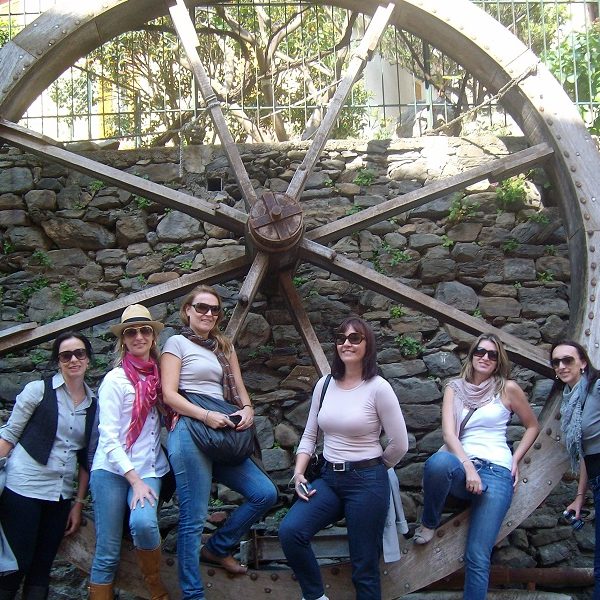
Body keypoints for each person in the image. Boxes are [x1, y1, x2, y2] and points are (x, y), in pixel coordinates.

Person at [279, 316, 409, 600]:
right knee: (291, 532)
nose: (346, 343)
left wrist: (374, 468)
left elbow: (400, 444)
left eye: (355, 338)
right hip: (328, 477)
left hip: (367, 482)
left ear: (367, 344)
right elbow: (310, 435)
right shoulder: (325, 384)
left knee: (364, 565)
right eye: (341, 338)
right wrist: (299, 473)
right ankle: (315, 596)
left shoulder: (378, 387)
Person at [161, 284, 278, 600]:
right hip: (191, 429)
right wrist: (204, 416)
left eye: (214, 310)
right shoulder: (176, 343)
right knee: (194, 517)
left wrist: (249, 409)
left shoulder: (224, 347)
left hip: (224, 429)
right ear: (188, 310)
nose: (208, 314)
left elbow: (239, 388)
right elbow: (169, 394)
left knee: (265, 493)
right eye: (201, 307)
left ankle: (218, 547)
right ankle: (193, 593)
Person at [414, 333, 539, 600]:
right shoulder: (454, 388)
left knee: (477, 555)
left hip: (497, 473)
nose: (485, 357)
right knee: (438, 463)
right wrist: (469, 469)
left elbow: (533, 426)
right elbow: (449, 435)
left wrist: (514, 460)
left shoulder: (507, 389)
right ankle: (429, 522)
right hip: (462, 468)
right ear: (471, 356)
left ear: (498, 361)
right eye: (480, 352)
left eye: (492, 355)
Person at [0, 331, 97, 600]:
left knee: (43, 568)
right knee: (14, 566)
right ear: (58, 361)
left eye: (79, 353)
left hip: (60, 496)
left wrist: (78, 503)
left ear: (88, 358)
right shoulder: (37, 391)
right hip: (23, 488)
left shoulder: (93, 405)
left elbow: (86, 460)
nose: (74, 359)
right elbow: (9, 435)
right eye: (66, 355)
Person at [88, 305, 170, 600]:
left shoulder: (161, 379)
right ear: (123, 339)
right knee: (108, 550)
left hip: (149, 466)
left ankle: (154, 586)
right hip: (112, 470)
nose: (138, 336)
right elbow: (108, 437)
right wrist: (133, 480)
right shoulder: (115, 380)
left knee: (144, 523)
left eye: (144, 330)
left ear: (153, 337)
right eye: (131, 332)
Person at [553, 340, 600, 599]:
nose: (561, 366)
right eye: (556, 362)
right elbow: (585, 451)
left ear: (583, 362)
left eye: (567, 360)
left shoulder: (597, 387)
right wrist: (580, 498)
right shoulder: (571, 401)